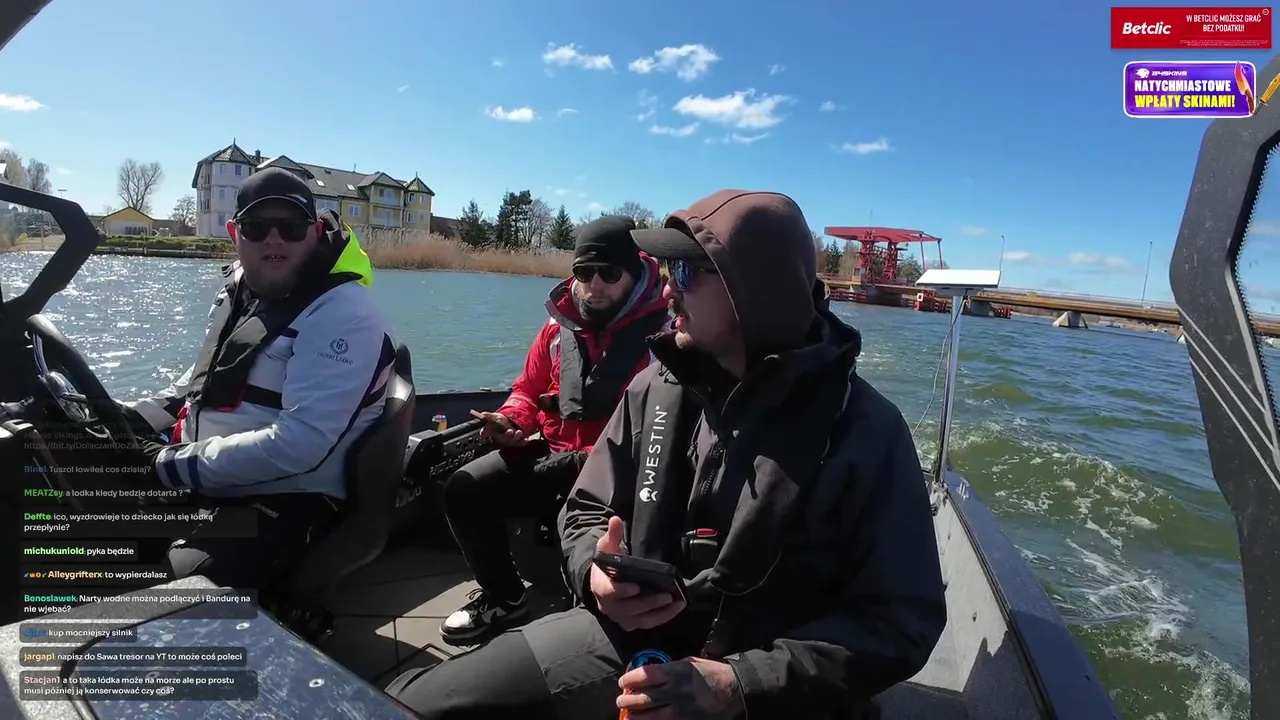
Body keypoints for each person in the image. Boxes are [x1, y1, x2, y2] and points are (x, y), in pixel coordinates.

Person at [385, 190, 947, 719]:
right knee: (409, 703)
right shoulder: (657, 387)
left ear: (752, 291)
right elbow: (584, 508)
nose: (669, 290)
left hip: (775, 691)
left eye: (684, 272)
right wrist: (594, 573)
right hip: (628, 640)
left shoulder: (867, 433)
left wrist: (740, 683)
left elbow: (902, 622)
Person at [121, 167, 397, 591]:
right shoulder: (238, 290)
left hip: (289, 497)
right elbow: (199, 382)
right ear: (235, 233)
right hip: (206, 476)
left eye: (291, 227)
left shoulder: (344, 313)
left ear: (314, 232)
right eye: (256, 227)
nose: (274, 239)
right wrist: (128, 418)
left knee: (149, 591)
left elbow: (300, 445)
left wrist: (166, 465)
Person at [438, 214, 670, 645]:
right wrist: (511, 421)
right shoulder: (556, 328)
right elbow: (527, 390)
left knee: (588, 536)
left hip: (619, 474)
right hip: (553, 451)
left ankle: (591, 639)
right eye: (584, 272)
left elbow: (664, 433)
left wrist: (583, 463)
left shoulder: (666, 339)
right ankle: (505, 598)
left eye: (609, 273)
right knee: (465, 488)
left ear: (635, 273)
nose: (594, 284)